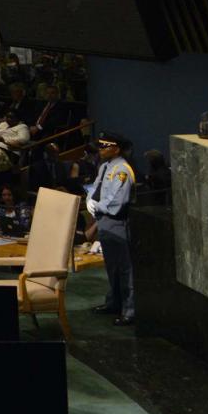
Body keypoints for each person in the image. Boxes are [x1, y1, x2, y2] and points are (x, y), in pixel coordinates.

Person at [87, 134, 137, 325]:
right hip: (104, 222)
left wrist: (97, 206)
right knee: (112, 267)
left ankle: (129, 310)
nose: (101, 149)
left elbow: (117, 201)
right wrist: (89, 199)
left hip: (117, 222)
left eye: (105, 146)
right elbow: (95, 188)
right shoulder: (104, 166)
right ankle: (114, 302)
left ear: (116, 149)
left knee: (125, 269)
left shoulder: (122, 170)